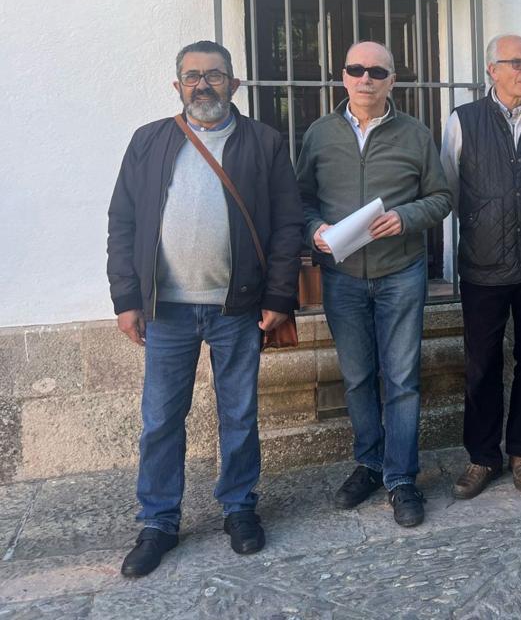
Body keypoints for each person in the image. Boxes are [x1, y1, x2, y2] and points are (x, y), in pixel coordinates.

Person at [107, 40, 303, 577]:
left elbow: (288, 224)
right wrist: (126, 298)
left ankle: (239, 509)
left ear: (234, 85)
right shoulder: (149, 142)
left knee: (238, 413)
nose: (203, 85)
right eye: (192, 76)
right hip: (165, 310)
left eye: (214, 75)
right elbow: (122, 222)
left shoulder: (263, 141)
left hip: (236, 308)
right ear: (177, 86)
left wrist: (280, 297)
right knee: (161, 419)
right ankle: (159, 521)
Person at [296, 41, 452, 527]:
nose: (365, 78)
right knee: (359, 377)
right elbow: (299, 201)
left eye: (376, 71)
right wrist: (313, 230)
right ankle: (369, 463)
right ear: (342, 77)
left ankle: (402, 477)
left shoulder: (415, 134)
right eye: (356, 69)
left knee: (402, 379)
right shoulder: (320, 134)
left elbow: (443, 197)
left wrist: (406, 217)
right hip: (341, 276)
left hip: (400, 273)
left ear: (391, 81)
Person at [440, 34, 521, 499]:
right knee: (482, 364)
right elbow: (449, 189)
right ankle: (482, 456)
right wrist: (483, 225)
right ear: (491, 69)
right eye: (516, 62)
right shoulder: (464, 121)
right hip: (484, 265)